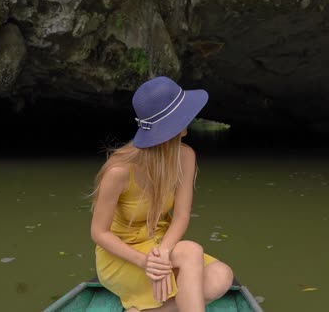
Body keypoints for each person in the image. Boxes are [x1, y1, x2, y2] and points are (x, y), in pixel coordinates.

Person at [90, 76, 234, 312]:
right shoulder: (119, 171)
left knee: (221, 276)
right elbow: (99, 232)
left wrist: (163, 254)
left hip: (161, 246)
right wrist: (147, 262)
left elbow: (181, 217)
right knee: (191, 251)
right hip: (124, 256)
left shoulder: (186, 157)